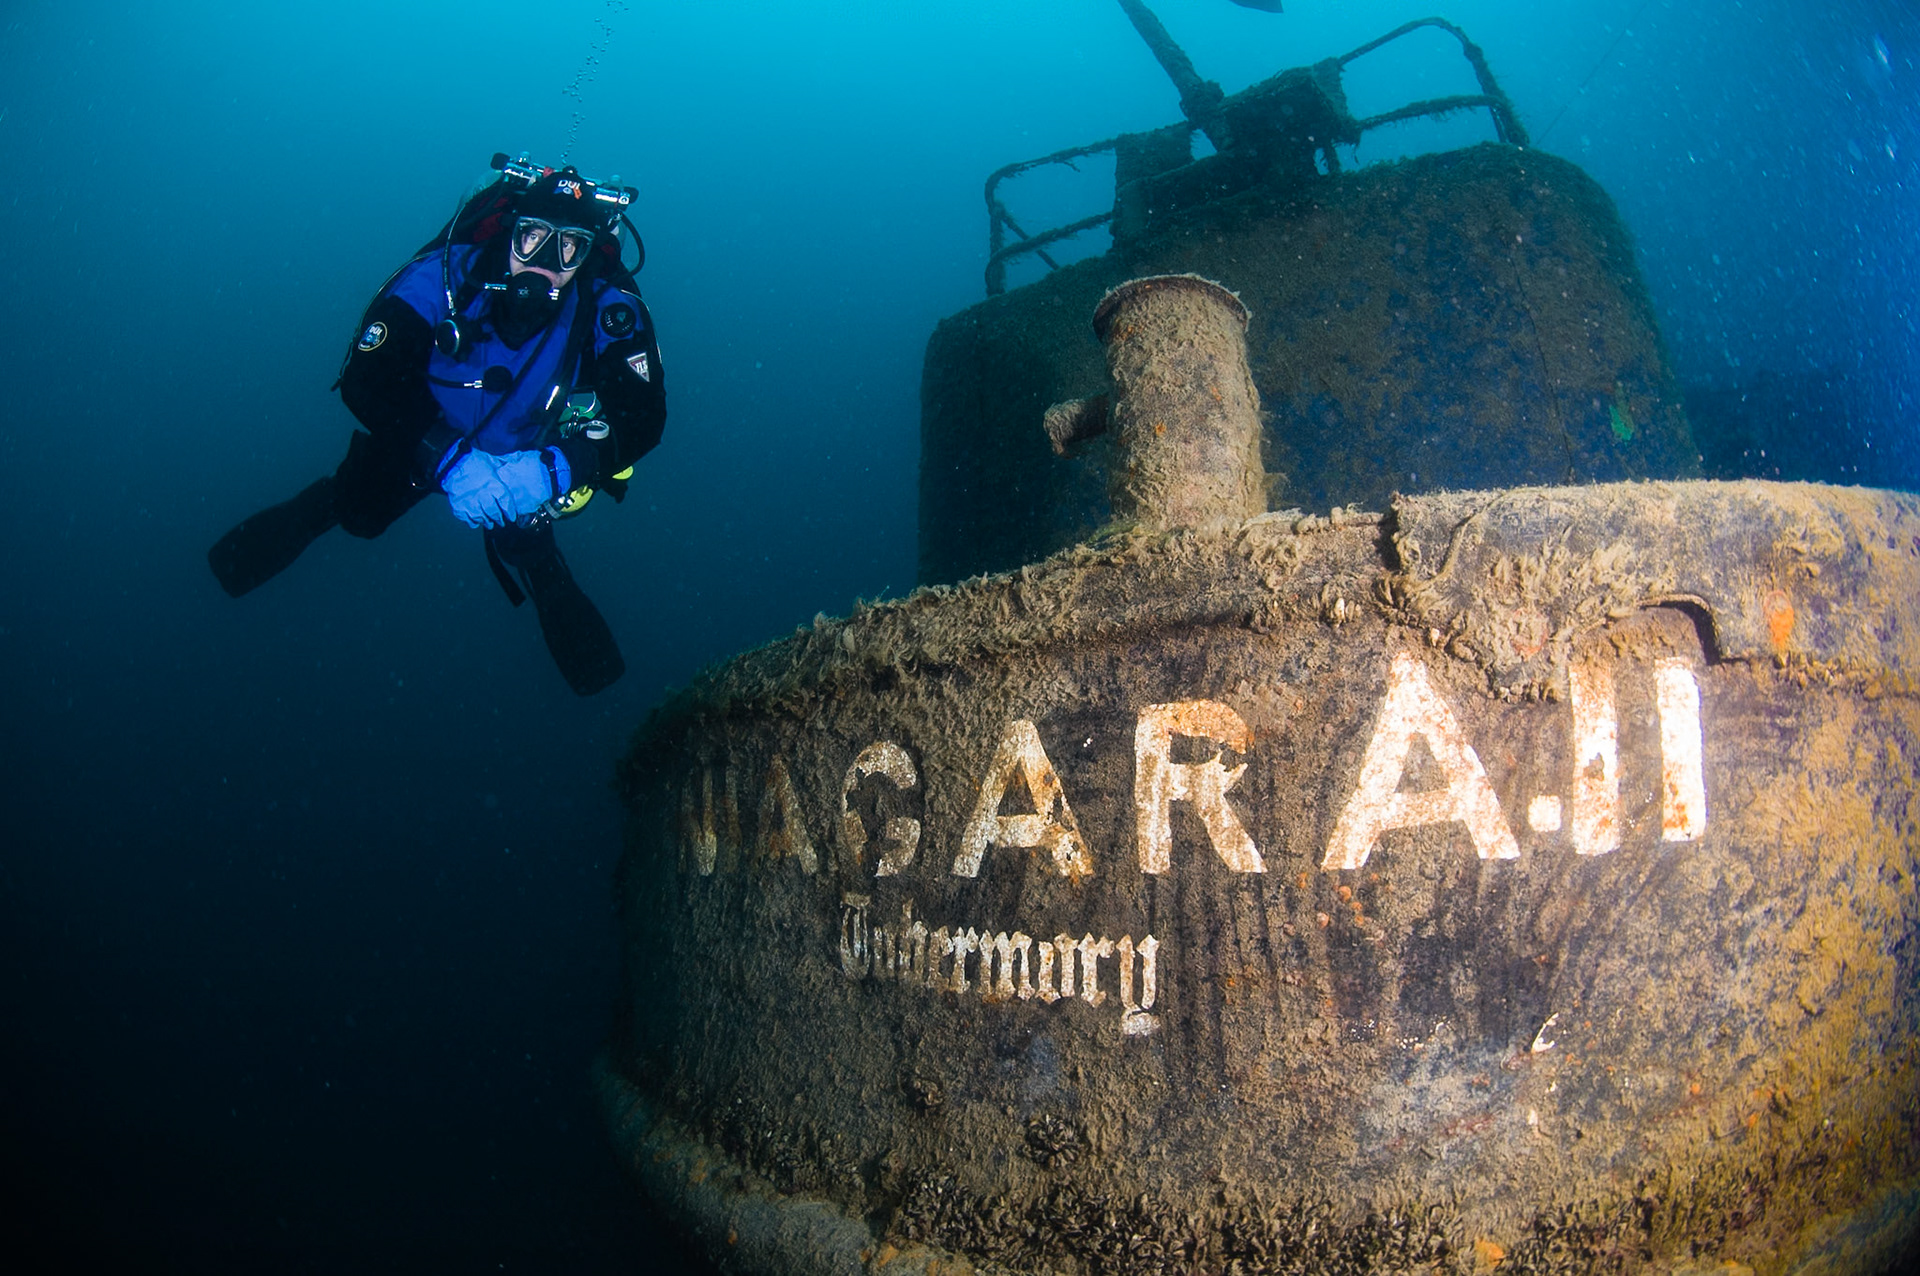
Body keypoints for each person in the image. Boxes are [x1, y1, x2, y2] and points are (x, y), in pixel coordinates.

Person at [208, 156, 666, 696]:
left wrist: (551, 471)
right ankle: (313, 514)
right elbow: (364, 376)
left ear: (589, 254)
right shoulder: (447, 274)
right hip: (421, 436)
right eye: (533, 238)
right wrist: (446, 456)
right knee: (356, 505)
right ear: (511, 231)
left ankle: (553, 587)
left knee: (527, 546)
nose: (547, 261)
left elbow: (645, 416)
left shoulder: (606, 307)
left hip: (526, 457)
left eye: (570, 246)